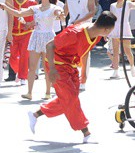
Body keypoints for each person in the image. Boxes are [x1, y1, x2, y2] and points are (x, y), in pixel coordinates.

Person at [26, 12, 117, 142]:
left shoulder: (96, 36)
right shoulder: (74, 33)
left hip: (70, 65)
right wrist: (51, 69)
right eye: (110, 30)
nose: (110, 33)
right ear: (106, 29)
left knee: (68, 99)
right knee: (71, 99)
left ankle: (35, 114)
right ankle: (86, 133)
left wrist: (84, 72)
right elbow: (50, 45)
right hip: (57, 65)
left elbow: (84, 53)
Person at [0, 0, 64, 100]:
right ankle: (29, 93)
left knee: (47, 66)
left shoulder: (54, 7)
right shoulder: (35, 8)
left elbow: (59, 12)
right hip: (36, 36)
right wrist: (5, 7)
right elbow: (19, 14)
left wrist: (61, 13)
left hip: (48, 37)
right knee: (32, 66)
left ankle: (48, 92)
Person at [63, 0, 96, 91]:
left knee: (84, 54)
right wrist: (58, 15)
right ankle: (72, 77)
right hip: (71, 27)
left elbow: (92, 11)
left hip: (85, 27)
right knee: (71, 54)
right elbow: (65, 12)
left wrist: (80, 20)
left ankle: (83, 80)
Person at [8, 0, 36, 86]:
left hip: (27, 33)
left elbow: (36, 18)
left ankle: (23, 77)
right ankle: (20, 72)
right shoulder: (11, 1)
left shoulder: (32, 2)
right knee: (12, 57)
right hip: (14, 33)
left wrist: (29, 24)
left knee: (24, 56)